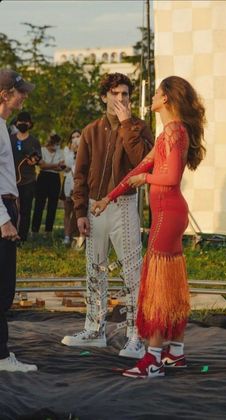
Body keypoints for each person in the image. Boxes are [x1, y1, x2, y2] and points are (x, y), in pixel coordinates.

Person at [92, 75, 206, 377]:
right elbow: (140, 166)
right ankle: (175, 352)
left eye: (156, 92)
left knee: (156, 287)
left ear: (166, 98)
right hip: (170, 213)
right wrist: (108, 197)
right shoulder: (170, 132)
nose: (152, 97)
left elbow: (166, 178)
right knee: (170, 287)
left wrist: (146, 180)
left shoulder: (173, 132)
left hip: (167, 215)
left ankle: (153, 358)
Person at [61, 72, 153, 358]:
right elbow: (81, 174)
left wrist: (127, 124)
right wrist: (80, 211)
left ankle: (136, 335)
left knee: (132, 271)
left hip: (124, 204)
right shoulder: (91, 130)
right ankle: (94, 330)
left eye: (125, 94)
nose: (121, 99)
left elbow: (143, 162)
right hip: (94, 205)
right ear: (104, 96)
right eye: (115, 94)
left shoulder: (139, 127)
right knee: (95, 267)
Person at [0, 68, 37, 372]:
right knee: (3, 288)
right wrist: (2, 218)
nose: (24, 97)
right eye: (20, 92)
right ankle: (1, 357)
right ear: (5, 95)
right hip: (0, 211)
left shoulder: (4, 126)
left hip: (7, 206)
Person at [10, 111, 41, 242]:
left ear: (30, 123)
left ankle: (22, 238)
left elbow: (38, 157)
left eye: (25, 121)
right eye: (20, 121)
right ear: (16, 123)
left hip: (28, 180)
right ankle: (9, 234)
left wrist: (34, 160)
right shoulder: (10, 139)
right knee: (10, 210)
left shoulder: (34, 141)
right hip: (10, 180)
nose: (23, 124)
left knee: (25, 210)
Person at [31, 133, 65, 238]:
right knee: (39, 205)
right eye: (55, 143)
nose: (57, 146)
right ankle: (34, 231)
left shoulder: (61, 152)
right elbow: (42, 165)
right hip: (43, 178)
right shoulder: (42, 150)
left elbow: (61, 168)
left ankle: (48, 231)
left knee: (52, 206)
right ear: (51, 143)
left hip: (55, 179)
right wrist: (55, 165)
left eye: (58, 144)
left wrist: (48, 165)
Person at [62, 129, 81, 245]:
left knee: (77, 211)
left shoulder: (85, 149)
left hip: (79, 183)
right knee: (67, 211)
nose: (75, 139)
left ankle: (74, 235)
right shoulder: (66, 150)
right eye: (73, 137)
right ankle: (66, 236)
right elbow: (67, 165)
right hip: (68, 181)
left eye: (77, 136)